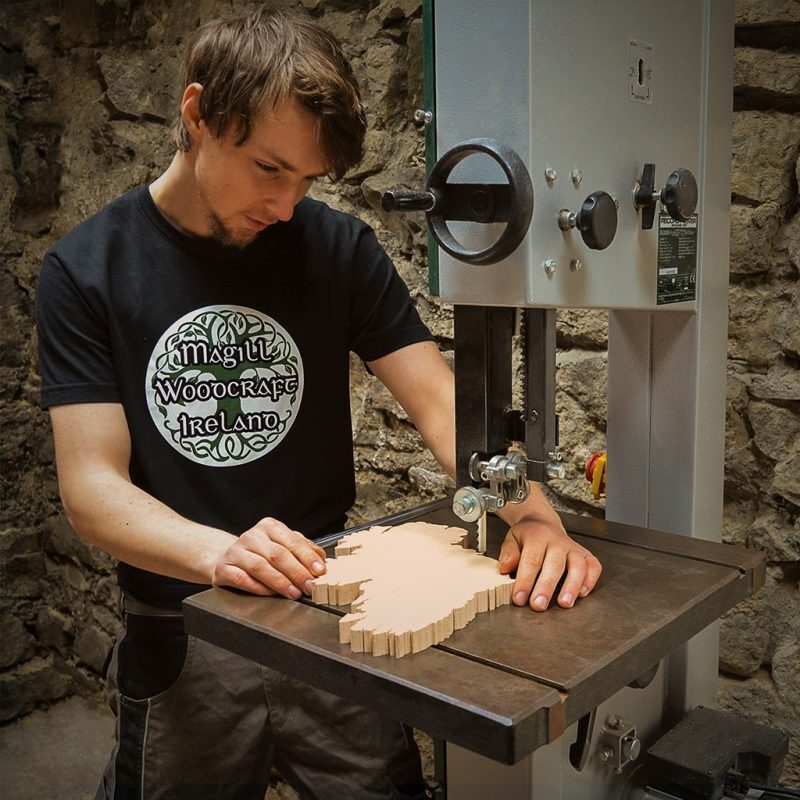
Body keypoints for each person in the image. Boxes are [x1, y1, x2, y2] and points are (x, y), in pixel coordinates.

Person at [36, 7, 602, 800]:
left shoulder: (335, 248)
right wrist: (219, 552)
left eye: (308, 180)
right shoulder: (87, 270)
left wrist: (534, 515)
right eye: (270, 168)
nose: (288, 205)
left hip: (338, 619)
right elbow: (92, 488)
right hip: (186, 626)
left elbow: (442, 406)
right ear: (196, 114)